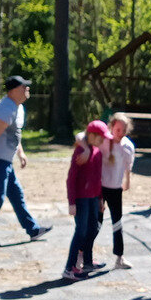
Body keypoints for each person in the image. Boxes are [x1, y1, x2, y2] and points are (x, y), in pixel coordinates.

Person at [0, 76, 51, 252]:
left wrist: (21, 153)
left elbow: (14, 134)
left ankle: (33, 229)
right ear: (13, 90)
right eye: (24, 87)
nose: (27, 89)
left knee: (16, 194)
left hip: (4, 161)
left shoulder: (17, 107)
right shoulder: (6, 108)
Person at [75, 114, 136, 269]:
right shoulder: (104, 140)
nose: (120, 133)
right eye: (118, 129)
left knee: (117, 222)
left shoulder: (128, 146)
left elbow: (128, 166)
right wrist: (86, 150)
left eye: (123, 130)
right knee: (95, 223)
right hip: (100, 188)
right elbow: (81, 136)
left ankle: (119, 257)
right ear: (111, 127)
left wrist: (127, 180)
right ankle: (81, 254)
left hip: (115, 188)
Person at [63, 120, 114, 280]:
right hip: (81, 199)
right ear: (92, 135)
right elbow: (71, 178)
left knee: (93, 228)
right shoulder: (80, 151)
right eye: (101, 137)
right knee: (81, 231)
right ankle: (69, 268)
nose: (103, 140)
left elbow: (98, 178)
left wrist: (100, 199)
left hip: (93, 198)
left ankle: (88, 262)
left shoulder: (97, 152)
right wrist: (72, 202)